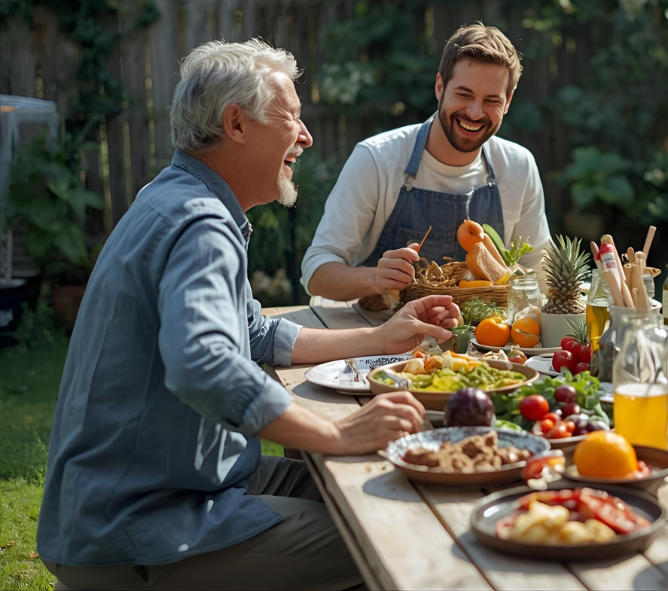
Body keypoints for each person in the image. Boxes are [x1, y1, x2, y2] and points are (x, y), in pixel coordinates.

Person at [38, 38, 462, 590]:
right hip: (142, 520)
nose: (306, 137)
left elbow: (255, 333)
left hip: (186, 483)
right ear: (236, 124)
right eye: (292, 117)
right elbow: (205, 365)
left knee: (383, 483)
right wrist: (334, 436)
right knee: (394, 538)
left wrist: (381, 335)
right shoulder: (200, 224)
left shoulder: (177, 198)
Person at [302, 22, 551, 301]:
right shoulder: (377, 159)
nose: (474, 112)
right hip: (378, 335)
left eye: (491, 100)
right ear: (439, 86)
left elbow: (540, 275)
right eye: (464, 94)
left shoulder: (518, 166)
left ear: (507, 102)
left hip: (482, 342)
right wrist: (375, 278)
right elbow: (316, 273)